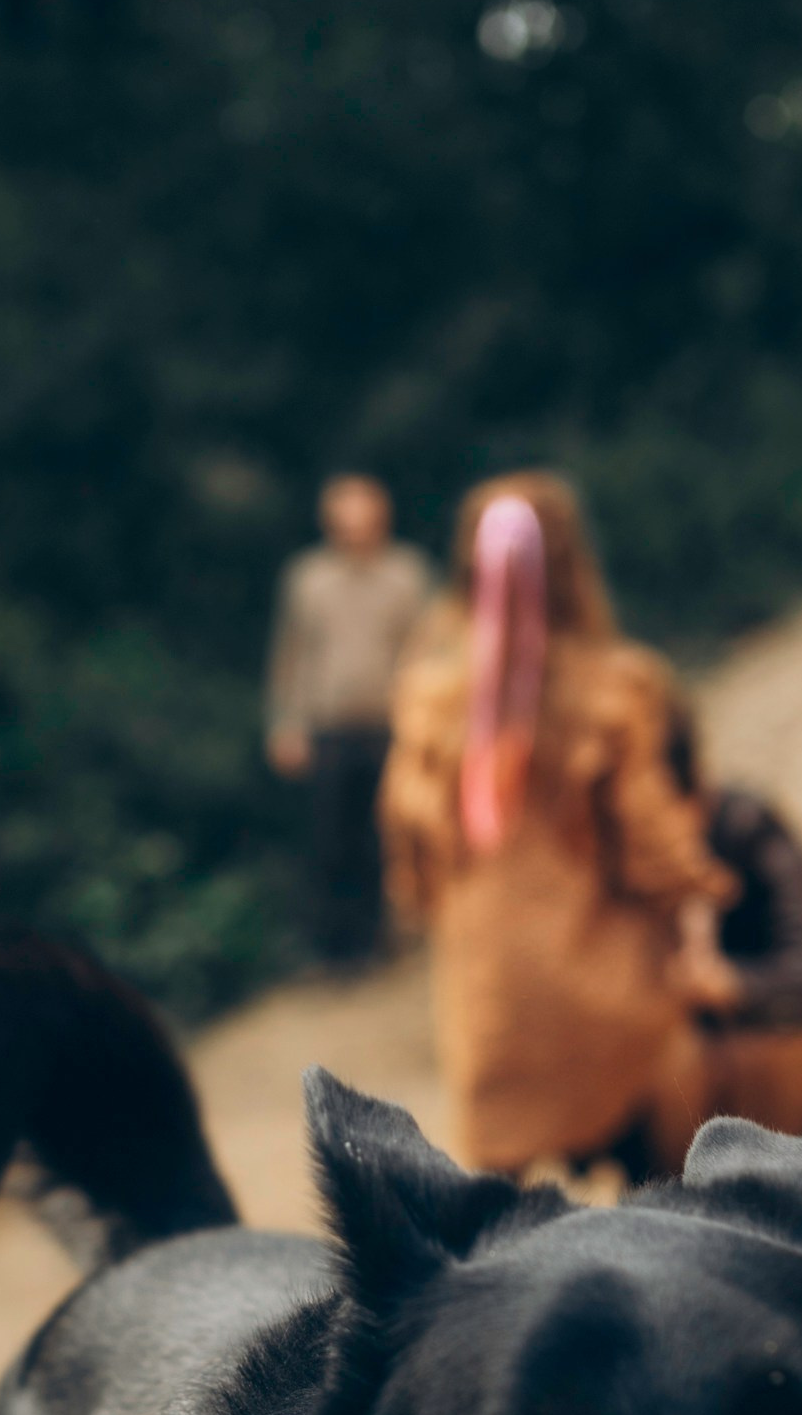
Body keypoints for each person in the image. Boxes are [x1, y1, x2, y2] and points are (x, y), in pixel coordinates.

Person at [377, 473, 734, 1173]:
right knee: (663, 1149)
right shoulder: (616, 685)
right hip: (602, 994)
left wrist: (424, 903)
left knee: (501, 1177)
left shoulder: (429, 697)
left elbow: (410, 839)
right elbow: (650, 839)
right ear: (575, 560)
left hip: (491, 1001)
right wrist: (696, 910)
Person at [609, 701, 802, 1178]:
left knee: (777, 1049)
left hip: (772, 1060)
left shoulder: (746, 828)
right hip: (663, 1108)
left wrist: (732, 984)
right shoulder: (611, 867)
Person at [265, 475, 433, 967]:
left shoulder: (408, 573)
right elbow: (291, 657)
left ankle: (391, 939)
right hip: (329, 729)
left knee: (390, 837)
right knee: (331, 842)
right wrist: (284, 724)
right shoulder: (307, 578)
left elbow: (426, 648)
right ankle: (337, 950)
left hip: (393, 725)